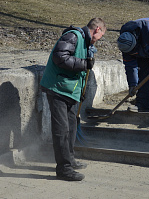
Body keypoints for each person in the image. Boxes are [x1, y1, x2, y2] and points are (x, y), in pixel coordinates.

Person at [40, 18, 106, 181]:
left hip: (69, 91)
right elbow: (60, 57)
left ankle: (69, 160)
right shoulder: (73, 36)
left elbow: (80, 72)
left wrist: (81, 92)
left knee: (71, 127)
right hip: (57, 88)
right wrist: (84, 64)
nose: (98, 41)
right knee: (61, 130)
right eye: (100, 36)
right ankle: (63, 169)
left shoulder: (85, 43)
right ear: (97, 29)